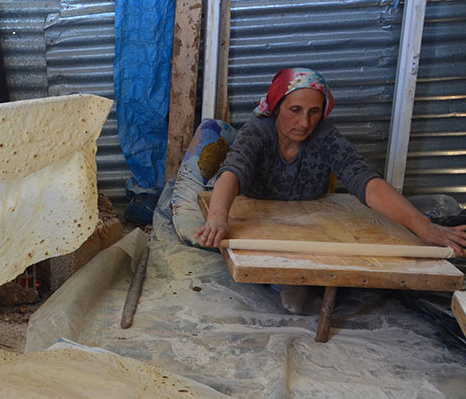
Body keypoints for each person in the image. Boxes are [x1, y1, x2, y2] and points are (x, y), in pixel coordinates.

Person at [195, 68, 466, 311]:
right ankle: (293, 288)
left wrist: (423, 226)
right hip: (260, 217)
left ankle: (306, 288)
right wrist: (218, 216)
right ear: (277, 107)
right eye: (295, 110)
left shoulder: (325, 136)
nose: (304, 123)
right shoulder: (258, 132)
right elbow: (233, 171)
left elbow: (365, 181)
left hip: (310, 218)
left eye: (314, 112)